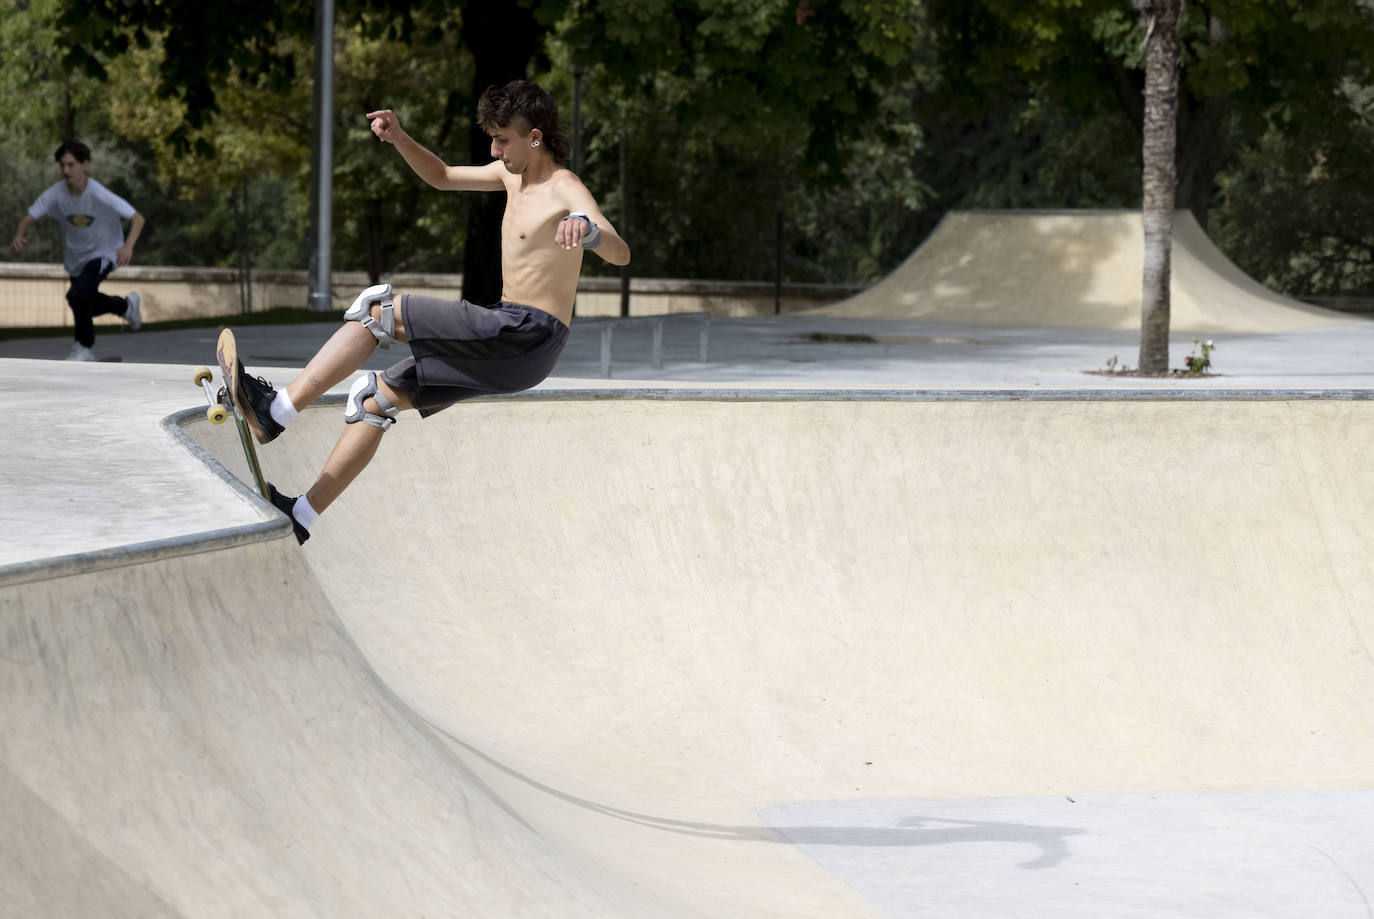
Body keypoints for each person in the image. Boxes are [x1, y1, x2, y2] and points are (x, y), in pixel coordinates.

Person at [228, 80, 630, 544]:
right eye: (492, 140)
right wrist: (400, 138)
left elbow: (620, 252)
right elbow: (441, 176)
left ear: (534, 138)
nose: (495, 151)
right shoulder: (508, 177)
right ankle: (302, 515)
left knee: (377, 309)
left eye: (503, 140)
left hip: (526, 332)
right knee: (376, 399)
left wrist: (589, 231)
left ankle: (275, 411)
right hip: (515, 346)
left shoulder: (565, 187)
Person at [10, 141, 145, 360]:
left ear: (85, 164)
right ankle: (126, 307)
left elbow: (137, 218)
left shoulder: (98, 192)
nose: (66, 171)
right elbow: (28, 218)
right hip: (75, 259)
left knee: (78, 296)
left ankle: (84, 347)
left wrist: (127, 246)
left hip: (104, 253)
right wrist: (18, 235)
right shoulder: (56, 193)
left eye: (71, 165)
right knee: (82, 302)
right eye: (62, 166)